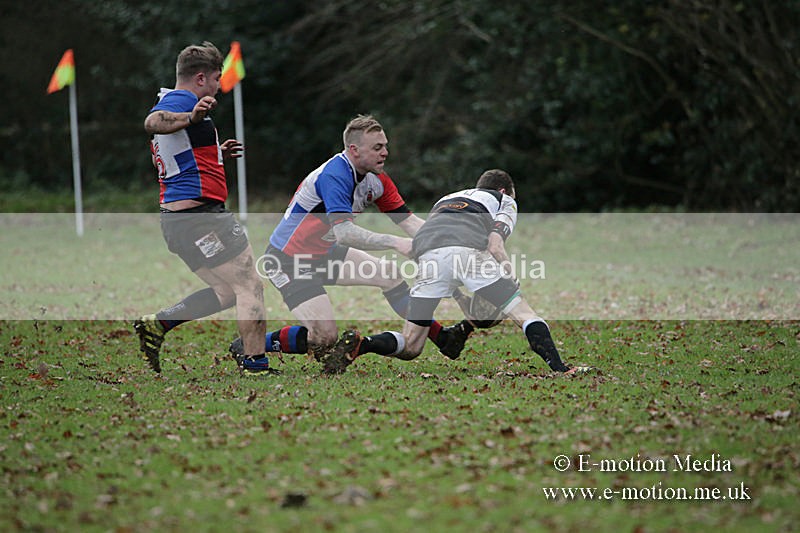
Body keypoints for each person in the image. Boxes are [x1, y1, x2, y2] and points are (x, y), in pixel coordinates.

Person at [229, 114, 469, 362]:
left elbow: (408, 221)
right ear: (354, 150)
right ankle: (250, 344)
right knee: (323, 337)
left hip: (323, 254)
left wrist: (452, 246)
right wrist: (396, 243)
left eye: (385, 145)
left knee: (389, 275)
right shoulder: (335, 175)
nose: (385, 152)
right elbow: (345, 234)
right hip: (289, 261)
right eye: (377, 147)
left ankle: (443, 337)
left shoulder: (377, 179)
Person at [323, 169, 582, 375]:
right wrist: (509, 277)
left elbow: (441, 251)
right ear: (505, 190)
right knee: (524, 313)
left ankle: (363, 343)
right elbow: (495, 244)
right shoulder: (505, 201)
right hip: (468, 251)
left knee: (411, 344)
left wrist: (458, 295)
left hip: (428, 256)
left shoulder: (446, 199)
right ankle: (562, 368)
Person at [134, 42, 272, 375]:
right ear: (199, 78)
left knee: (226, 291)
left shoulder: (174, 100)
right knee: (250, 286)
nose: (217, 88)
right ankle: (256, 365)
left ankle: (159, 323)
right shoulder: (181, 101)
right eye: (215, 80)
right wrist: (192, 115)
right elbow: (153, 122)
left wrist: (216, 152)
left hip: (178, 221)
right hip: (201, 219)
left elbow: (180, 157)